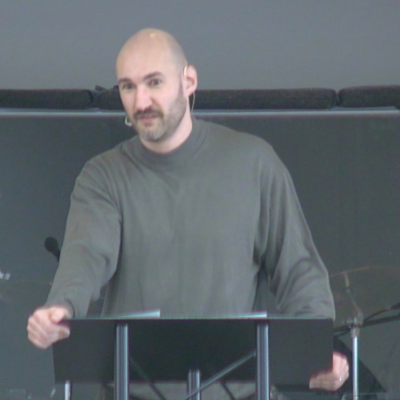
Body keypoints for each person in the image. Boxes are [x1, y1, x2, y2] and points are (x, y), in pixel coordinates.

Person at [27, 28, 348, 395]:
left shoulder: (254, 163)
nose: (141, 101)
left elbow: (298, 269)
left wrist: (315, 352)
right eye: (128, 87)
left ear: (189, 81)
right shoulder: (102, 175)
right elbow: (86, 253)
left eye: (154, 82)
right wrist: (61, 307)